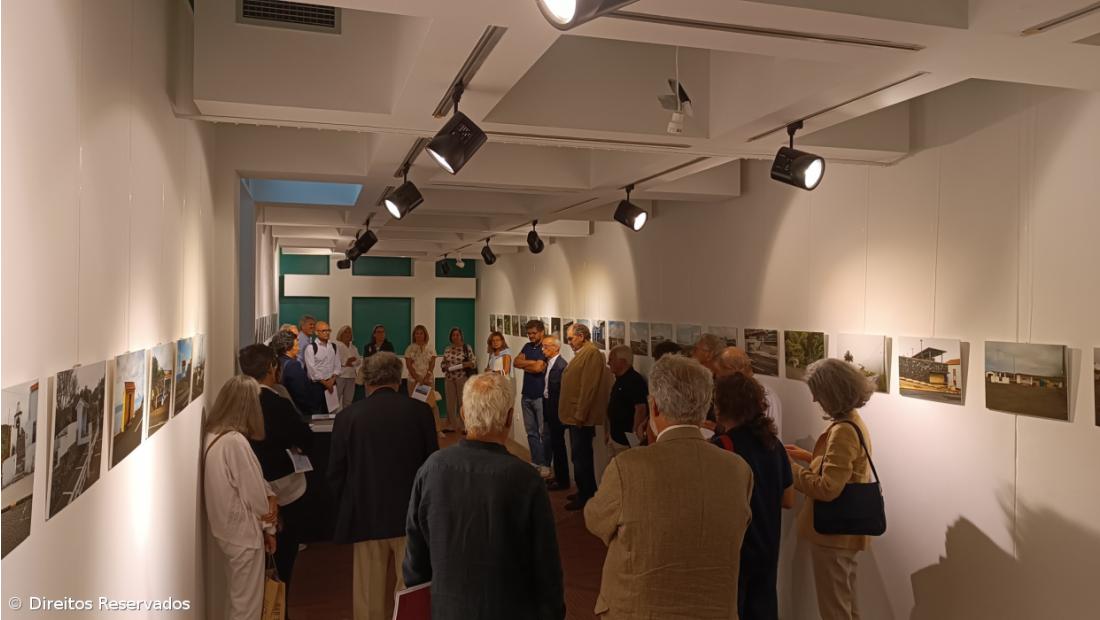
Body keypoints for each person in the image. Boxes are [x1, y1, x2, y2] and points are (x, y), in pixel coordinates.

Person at [584, 355, 753, 619]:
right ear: (705, 405)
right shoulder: (738, 469)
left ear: (655, 407)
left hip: (638, 610)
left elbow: (596, 521)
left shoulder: (628, 466)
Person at [403, 373, 566, 620]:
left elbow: (415, 558)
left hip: (448, 609)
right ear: (509, 418)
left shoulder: (432, 469)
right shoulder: (526, 479)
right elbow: (546, 564)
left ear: (463, 413)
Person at [328, 353, 439, 620]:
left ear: (366, 380)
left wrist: (345, 506)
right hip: (410, 515)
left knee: (368, 596)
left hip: (365, 513)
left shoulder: (348, 417)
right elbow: (431, 466)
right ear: (398, 378)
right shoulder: (420, 412)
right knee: (410, 591)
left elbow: (336, 473)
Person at [785, 359, 875, 620]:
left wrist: (790, 468)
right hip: (845, 533)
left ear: (832, 392)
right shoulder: (853, 421)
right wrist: (809, 456)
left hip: (833, 536)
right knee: (846, 607)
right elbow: (845, 470)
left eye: (817, 392)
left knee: (835, 611)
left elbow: (828, 489)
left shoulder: (843, 431)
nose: (814, 399)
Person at [712, 373, 794, 620]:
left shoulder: (722, 447)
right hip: (768, 548)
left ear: (720, 407)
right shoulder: (774, 445)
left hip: (735, 550)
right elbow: (788, 500)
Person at [239, 344, 315, 606]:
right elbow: (305, 439)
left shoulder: (239, 403)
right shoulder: (277, 404)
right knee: (283, 555)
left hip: (249, 489)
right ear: (272, 368)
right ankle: (277, 606)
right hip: (284, 489)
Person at [202, 376, 278, 620]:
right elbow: (255, 494)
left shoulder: (213, 435)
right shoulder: (234, 442)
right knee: (247, 607)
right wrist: (269, 527)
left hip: (226, 531)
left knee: (237, 600)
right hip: (243, 534)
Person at [559, 322, 613, 511]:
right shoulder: (584, 353)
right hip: (574, 415)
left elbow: (588, 387)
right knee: (578, 456)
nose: (569, 342)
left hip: (580, 417)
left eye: (570, 338)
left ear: (581, 336)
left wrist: (580, 415)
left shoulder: (592, 354)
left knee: (582, 458)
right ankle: (583, 490)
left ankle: (587, 494)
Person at [717, 346, 784, 437]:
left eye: (721, 373)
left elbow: (770, 437)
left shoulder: (766, 396)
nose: (718, 377)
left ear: (732, 369)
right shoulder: (741, 392)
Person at [513, 320, 551, 478]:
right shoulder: (527, 346)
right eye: (528, 333)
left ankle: (546, 464)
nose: (530, 336)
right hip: (526, 395)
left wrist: (527, 364)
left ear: (542, 332)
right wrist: (532, 363)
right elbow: (516, 362)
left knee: (543, 433)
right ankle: (536, 461)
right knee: (531, 432)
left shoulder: (546, 347)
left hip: (540, 397)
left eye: (533, 333)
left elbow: (538, 368)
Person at [605, 345, 647, 457]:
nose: (608, 363)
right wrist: (609, 432)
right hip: (615, 437)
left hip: (625, 442)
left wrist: (634, 438)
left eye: (611, 360)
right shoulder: (619, 379)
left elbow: (641, 409)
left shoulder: (634, 381)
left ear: (622, 362)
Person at [541, 335, 570, 491]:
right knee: (553, 443)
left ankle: (563, 480)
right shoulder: (549, 363)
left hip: (556, 410)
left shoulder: (561, 366)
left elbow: (562, 392)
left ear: (556, 348)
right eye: (543, 346)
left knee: (558, 445)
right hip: (549, 407)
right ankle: (558, 476)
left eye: (546, 346)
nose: (543, 349)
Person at [404, 325, 442, 427]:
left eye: (421, 333)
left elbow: (432, 364)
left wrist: (426, 378)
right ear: (414, 335)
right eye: (417, 333)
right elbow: (409, 365)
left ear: (425, 335)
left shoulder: (430, 347)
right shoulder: (410, 348)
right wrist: (417, 378)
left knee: (432, 404)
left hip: (428, 380)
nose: (419, 335)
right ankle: (416, 427)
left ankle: (437, 429)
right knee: (415, 404)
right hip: (414, 381)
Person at [441, 327, 476, 434]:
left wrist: (465, 364)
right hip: (449, 378)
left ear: (461, 336)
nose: (455, 337)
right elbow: (443, 363)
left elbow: (473, 362)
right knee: (450, 403)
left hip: (462, 377)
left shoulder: (466, 348)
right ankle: (451, 425)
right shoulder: (447, 349)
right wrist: (444, 367)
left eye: (457, 335)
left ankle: (465, 426)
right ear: (451, 337)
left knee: (463, 402)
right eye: (453, 335)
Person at [273, 330, 316, 417]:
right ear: (288, 347)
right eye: (296, 345)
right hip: (295, 411)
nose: (298, 348)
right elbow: (301, 394)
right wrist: (310, 409)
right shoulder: (293, 365)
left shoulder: (277, 361)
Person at [303, 321, 340, 414]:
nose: (327, 333)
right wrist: (326, 383)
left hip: (332, 383)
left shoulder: (333, 346)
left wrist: (332, 381)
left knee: (332, 412)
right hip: (317, 386)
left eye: (328, 330)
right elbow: (312, 371)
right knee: (318, 413)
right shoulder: (311, 348)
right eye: (324, 331)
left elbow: (337, 366)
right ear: (316, 332)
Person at [334, 325, 361, 408]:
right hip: (340, 375)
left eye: (349, 332)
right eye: (345, 332)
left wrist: (350, 362)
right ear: (341, 334)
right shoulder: (336, 345)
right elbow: (334, 360)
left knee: (348, 400)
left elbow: (358, 361)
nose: (348, 334)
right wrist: (346, 362)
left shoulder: (353, 348)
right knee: (336, 398)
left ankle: (347, 415)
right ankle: (333, 415)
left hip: (351, 376)